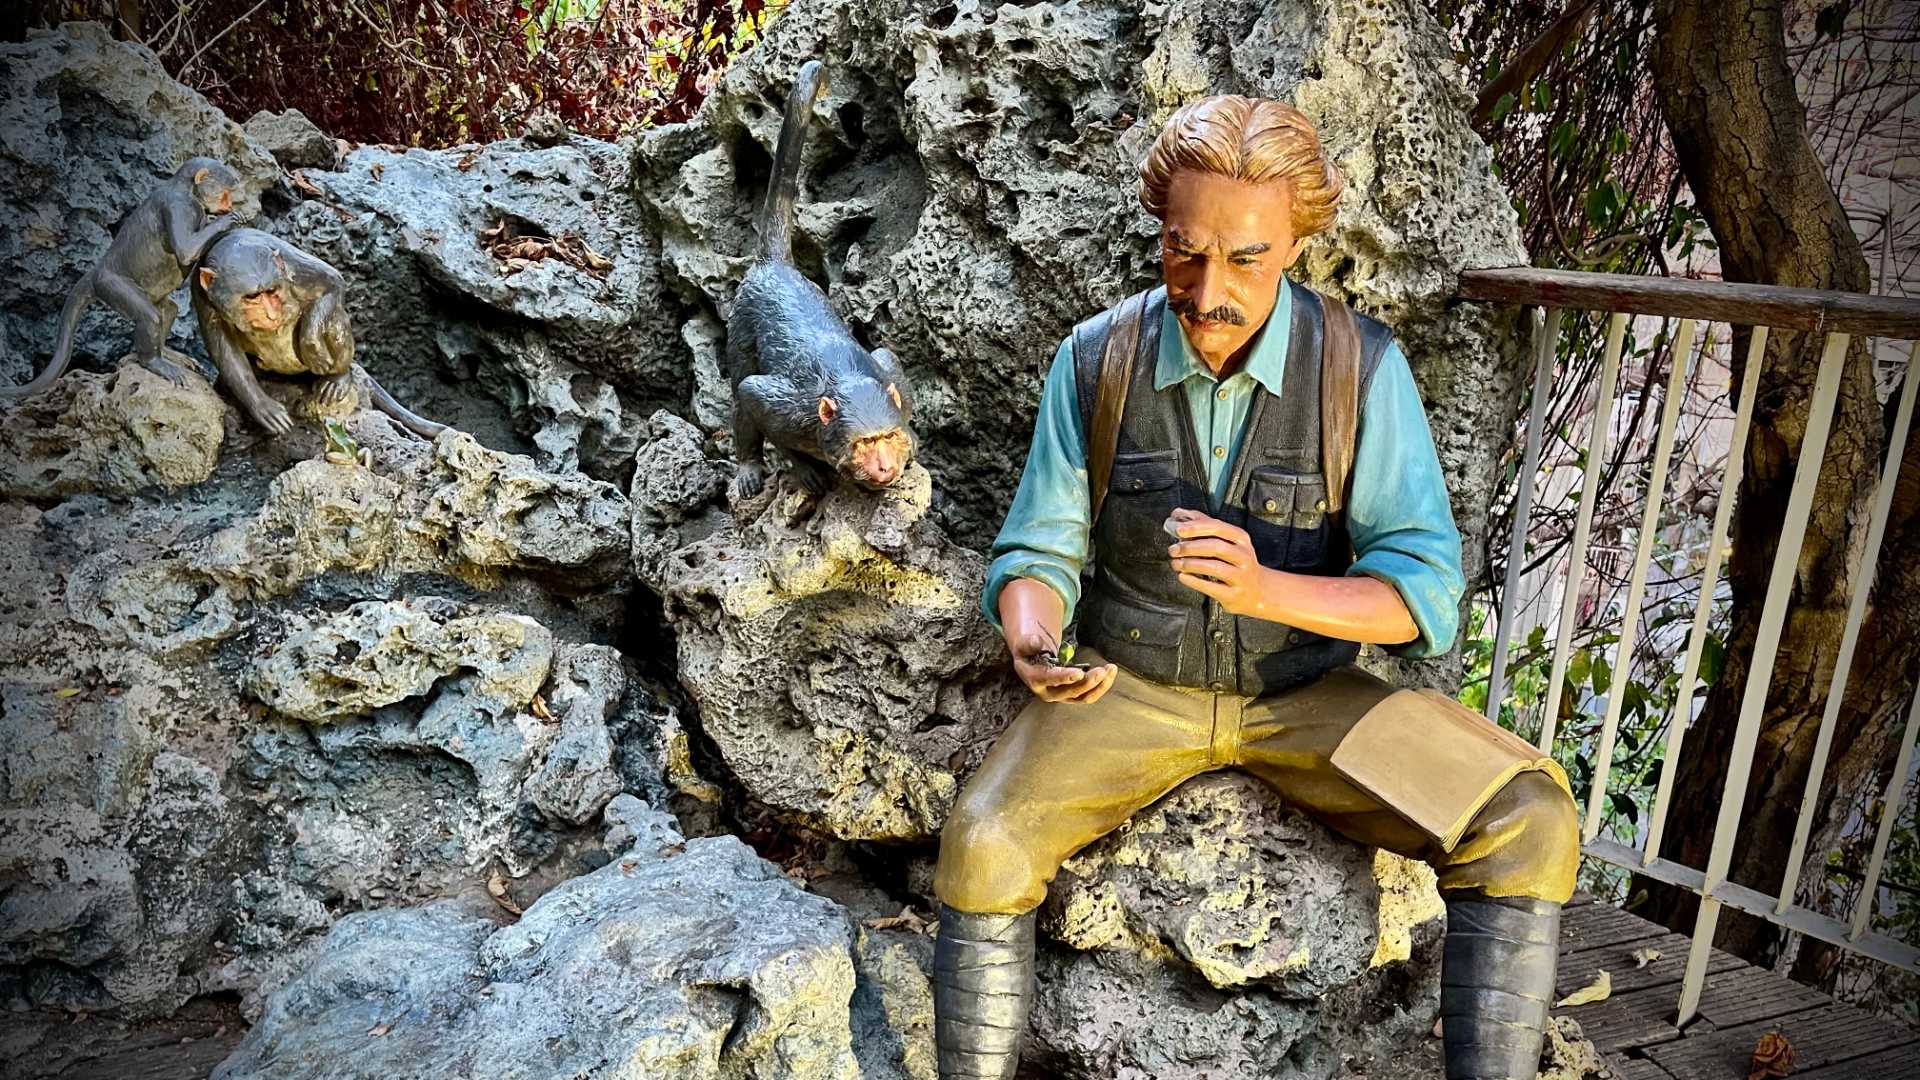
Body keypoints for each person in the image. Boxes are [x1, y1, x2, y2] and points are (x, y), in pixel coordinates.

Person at [929, 95, 1580, 1080]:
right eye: (1185, 253)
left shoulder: (1360, 369)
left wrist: (1267, 588)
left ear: (1294, 246)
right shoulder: (1096, 359)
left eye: (1246, 259)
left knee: (1528, 819)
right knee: (981, 847)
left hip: (1307, 697)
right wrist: (1033, 636)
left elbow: (1422, 592)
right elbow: (1039, 549)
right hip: (1129, 688)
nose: (1209, 288)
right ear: (1160, 232)